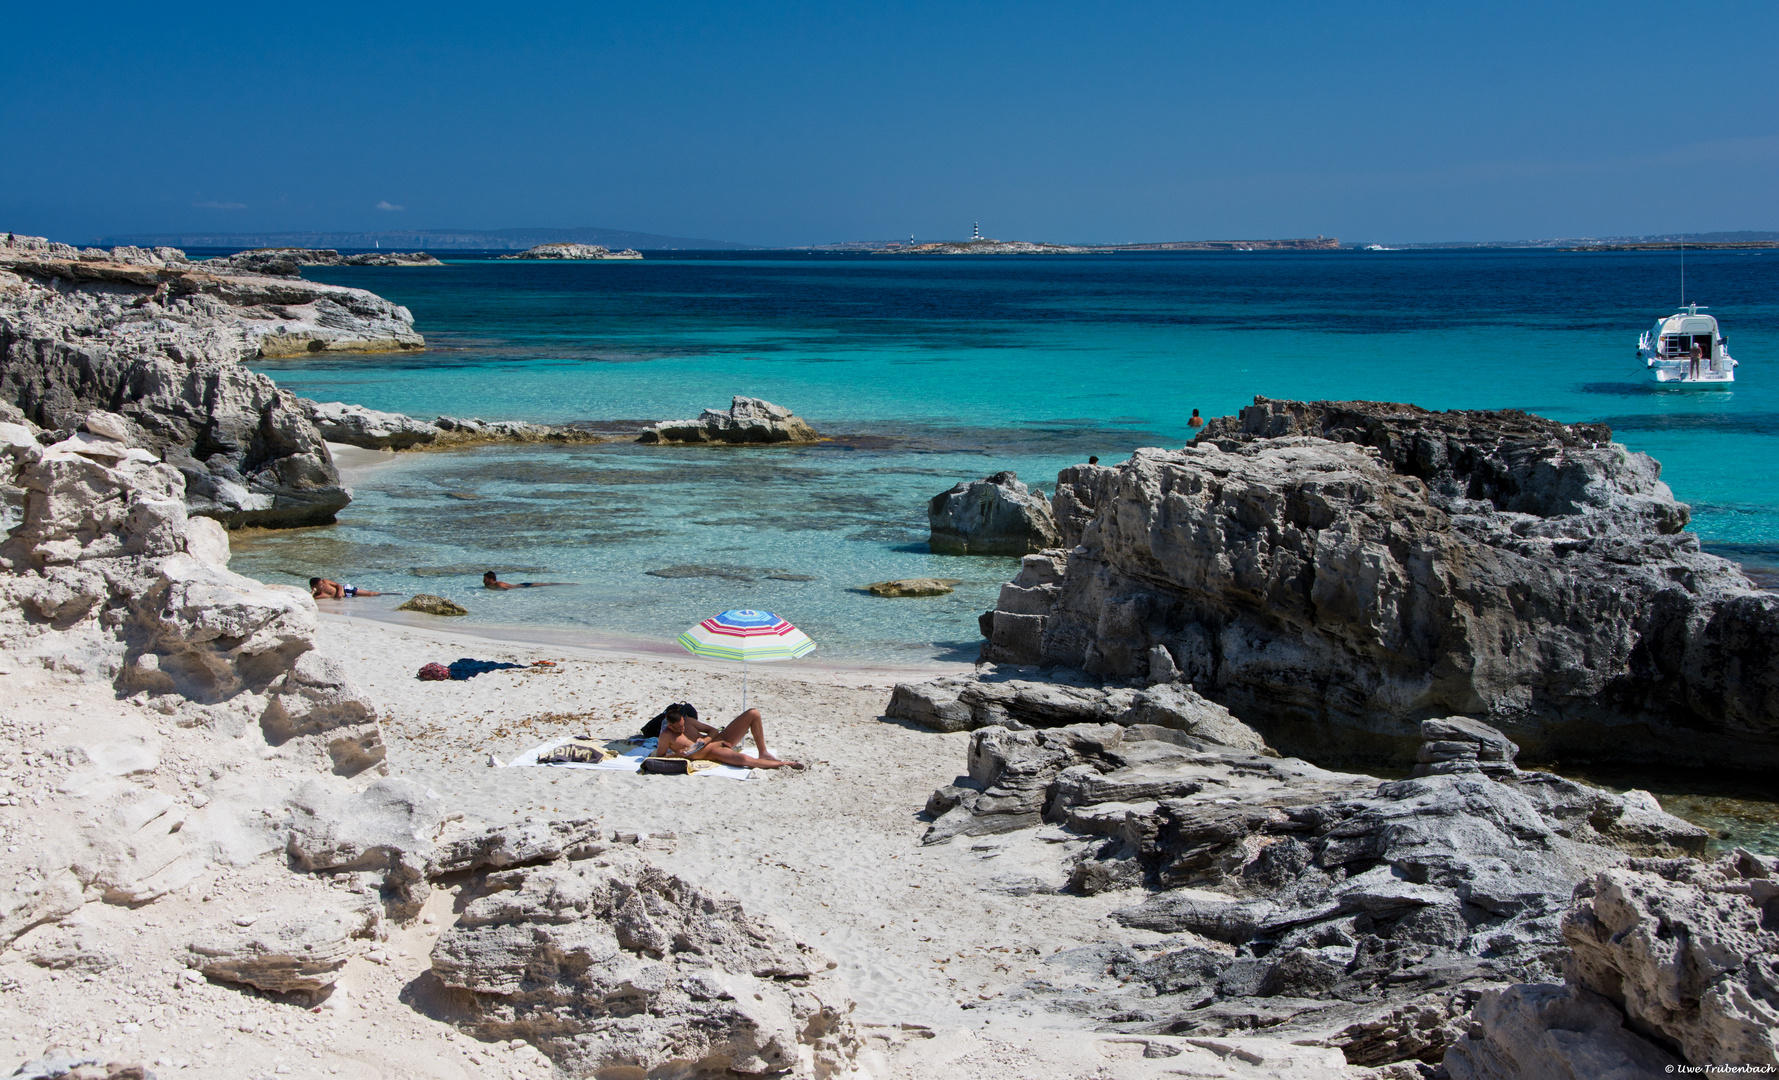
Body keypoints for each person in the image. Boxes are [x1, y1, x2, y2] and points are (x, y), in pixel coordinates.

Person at [653, 704, 803, 770]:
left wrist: (704, 740)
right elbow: (660, 757)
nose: (682, 729)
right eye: (678, 728)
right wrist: (676, 755)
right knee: (744, 760)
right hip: (712, 752)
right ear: (669, 726)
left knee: (753, 713)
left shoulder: (689, 721)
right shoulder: (665, 736)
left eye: (683, 725)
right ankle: (785, 763)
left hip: (718, 739)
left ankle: (763, 752)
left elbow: (712, 730)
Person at [483, 571, 570, 590]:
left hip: (523, 586)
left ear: (491, 580)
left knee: (545, 584)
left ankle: (566, 584)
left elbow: (508, 589)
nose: (483, 581)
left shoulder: (498, 584)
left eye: (485, 580)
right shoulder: (490, 585)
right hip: (521, 585)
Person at [310, 577, 381, 599]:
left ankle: (383, 594)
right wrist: (313, 591)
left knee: (370, 594)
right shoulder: (316, 596)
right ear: (314, 587)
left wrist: (339, 592)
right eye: (320, 585)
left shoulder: (326, 582)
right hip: (347, 598)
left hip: (346, 590)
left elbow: (338, 585)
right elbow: (309, 598)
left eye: (322, 584)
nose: (323, 586)